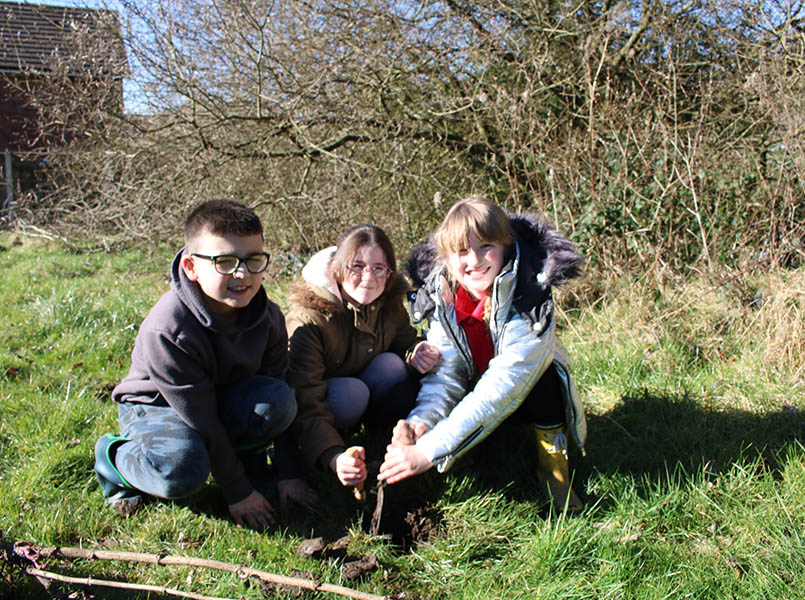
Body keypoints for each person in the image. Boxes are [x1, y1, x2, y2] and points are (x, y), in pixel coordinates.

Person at [94, 199, 296, 531]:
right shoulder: (169, 329)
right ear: (191, 267)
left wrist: (289, 472)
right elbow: (202, 420)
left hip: (218, 399)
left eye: (252, 260)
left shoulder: (270, 317)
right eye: (225, 262)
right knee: (182, 473)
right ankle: (113, 459)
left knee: (279, 402)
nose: (241, 273)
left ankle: (248, 464)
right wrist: (238, 492)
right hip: (161, 407)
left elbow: (281, 385)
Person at [378, 196, 587, 512]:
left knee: (546, 380)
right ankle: (470, 450)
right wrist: (421, 424)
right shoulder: (443, 296)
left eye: (485, 246)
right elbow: (445, 379)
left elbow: (502, 387)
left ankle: (554, 472)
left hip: (519, 396)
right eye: (461, 251)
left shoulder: (530, 299)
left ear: (505, 246)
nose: (473, 260)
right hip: (473, 389)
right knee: (413, 382)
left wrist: (428, 451)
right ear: (448, 258)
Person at [276, 224, 440, 506]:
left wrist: (416, 352)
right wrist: (334, 457)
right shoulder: (308, 319)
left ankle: (379, 434)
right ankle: (332, 441)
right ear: (338, 269)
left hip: (362, 389)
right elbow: (304, 398)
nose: (368, 278)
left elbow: (403, 342)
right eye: (358, 266)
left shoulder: (388, 301)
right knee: (353, 392)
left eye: (379, 268)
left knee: (392, 365)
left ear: (390, 272)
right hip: (327, 403)